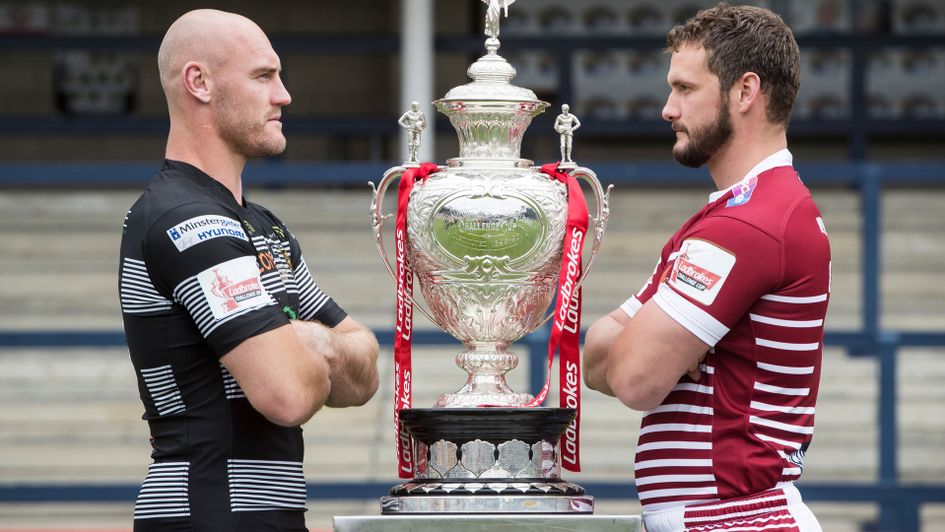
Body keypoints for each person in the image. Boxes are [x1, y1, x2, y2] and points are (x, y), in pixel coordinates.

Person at [118, 9, 379, 531]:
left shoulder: (262, 226)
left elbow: (365, 375)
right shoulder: (189, 222)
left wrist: (312, 342)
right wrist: (317, 350)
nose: (284, 95)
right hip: (209, 514)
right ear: (199, 83)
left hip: (266, 513)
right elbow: (286, 395)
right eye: (263, 76)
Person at [583, 5, 829, 531]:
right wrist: (660, 348)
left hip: (736, 517)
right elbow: (596, 354)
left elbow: (633, 378)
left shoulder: (749, 224)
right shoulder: (733, 216)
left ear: (745, 92)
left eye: (685, 88)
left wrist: (649, 346)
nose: (668, 109)